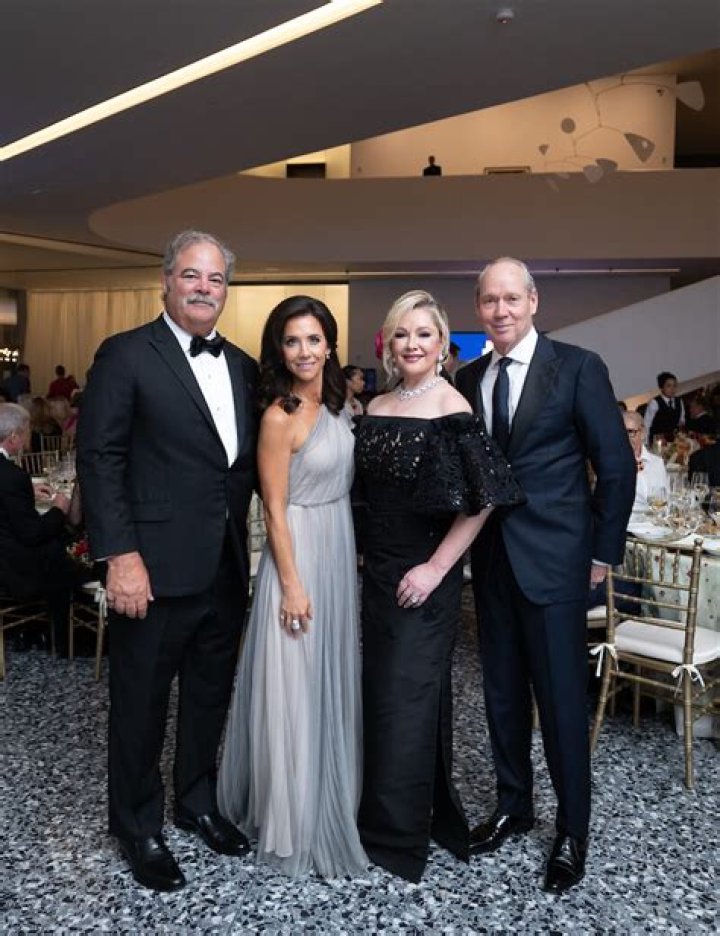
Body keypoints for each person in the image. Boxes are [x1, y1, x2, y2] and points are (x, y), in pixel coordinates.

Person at [77, 230, 259, 893]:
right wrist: (120, 556)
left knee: (209, 694)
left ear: (226, 289)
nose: (203, 288)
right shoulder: (126, 353)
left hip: (225, 566)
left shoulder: (243, 365)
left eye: (215, 279)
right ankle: (137, 826)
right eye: (191, 275)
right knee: (140, 703)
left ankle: (196, 801)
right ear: (166, 280)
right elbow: (100, 458)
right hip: (150, 568)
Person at [455, 258, 635, 894]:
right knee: (501, 695)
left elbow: (616, 467)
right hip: (492, 565)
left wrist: (602, 553)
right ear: (478, 309)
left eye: (511, 298)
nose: (500, 310)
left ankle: (572, 831)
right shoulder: (469, 376)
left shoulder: (578, 368)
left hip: (558, 565)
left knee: (560, 704)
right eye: (489, 300)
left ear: (533, 301)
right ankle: (514, 806)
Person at [353, 290, 524, 883]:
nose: (413, 344)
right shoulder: (376, 405)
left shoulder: (453, 406)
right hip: (378, 575)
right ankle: (401, 812)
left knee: (407, 699)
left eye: (424, 334)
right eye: (402, 333)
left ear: (443, 343)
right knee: (383, 695)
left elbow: (483, 500)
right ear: (389, 342)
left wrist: (434, 570)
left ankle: (396, 836)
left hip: (425, 577)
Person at [219, 296, 367, 878]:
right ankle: (292, 818)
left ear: (329, 345)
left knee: (326, 674)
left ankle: (329, 796)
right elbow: (274, 510)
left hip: (336, 543)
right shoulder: (278, 416)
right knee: (296, 683)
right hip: (299, 553)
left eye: (313, 339)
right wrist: (292, 585)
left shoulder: (338, 403)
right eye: (291, 341)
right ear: (278, 350)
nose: (304, 351)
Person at [0, 403, 87, 654]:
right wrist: (59, 508)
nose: (30, 436)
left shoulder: (11, 476)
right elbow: (32, 534)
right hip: (12, 569)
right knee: (60, 554)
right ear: (14, 437)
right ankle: (62, 639)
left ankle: (32, 631)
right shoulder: (13, 476)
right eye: (27, 431)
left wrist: (27, 490)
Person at [644, 371, 684, 442]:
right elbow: (646, 425)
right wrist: (646, 443)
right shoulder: (654, 402)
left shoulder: (679, 401)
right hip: (658, 441)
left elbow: (681, 420)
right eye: (668, 386)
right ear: (662, 387)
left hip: (674, 439)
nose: (672, 389)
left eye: (674, 385)